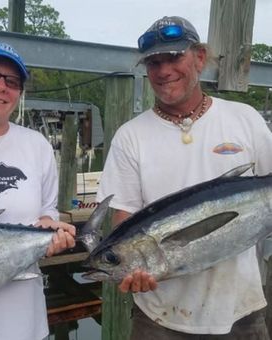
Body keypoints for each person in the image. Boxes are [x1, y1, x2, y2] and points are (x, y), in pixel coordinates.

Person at [96, 16, 272, 339]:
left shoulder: (245, 119)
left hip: (241, 314)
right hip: (159, 322)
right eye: (153, 62)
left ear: (200, 58)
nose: (163, 71)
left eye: (174, 57)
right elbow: (125, 221)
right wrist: (128, 267)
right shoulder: (130, 137)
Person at [0, 42, 76, 340]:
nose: (0, 86)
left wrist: (51, 230)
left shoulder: (36, 145)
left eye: (12, 81)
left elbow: (46, 213)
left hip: (23, 325)